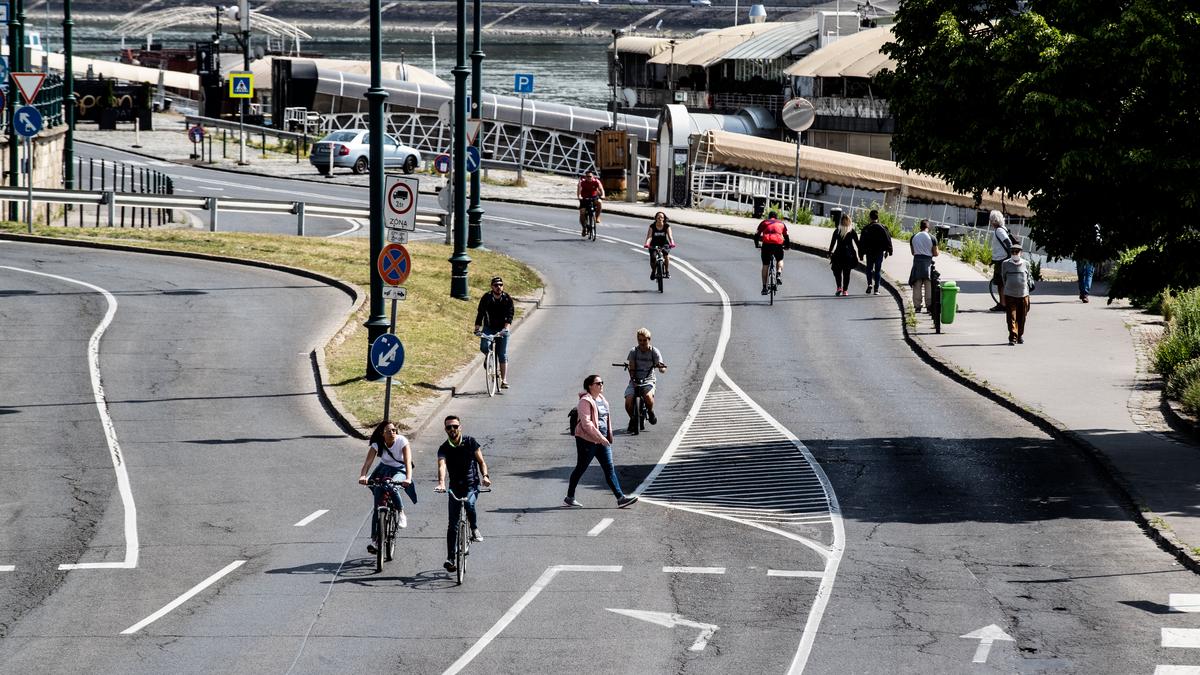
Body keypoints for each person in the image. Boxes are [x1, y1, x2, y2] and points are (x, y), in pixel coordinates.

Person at [565, 374, 639, 509]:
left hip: (602, 440)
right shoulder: (584, 401)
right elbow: (586, 424)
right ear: (590, 386)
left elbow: (606, 419)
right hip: (587, 440)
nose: (601, 385)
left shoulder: (602, 399)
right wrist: (600, 438)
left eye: (601, 383)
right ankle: (570, 497)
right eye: (598, 383)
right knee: (581, 468)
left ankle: (620, 498)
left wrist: (608, 436)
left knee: (609, 468)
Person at [435, 415, 492, 573]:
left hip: (471, 485)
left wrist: (485, 477)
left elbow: (481, 462)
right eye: (449, 427)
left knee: (468, 503)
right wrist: (441, 483)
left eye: (455, 426)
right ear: (445, 430)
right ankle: (450, 558)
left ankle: (474, 528)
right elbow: (442, 466)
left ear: (460, 427)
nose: (452, 429)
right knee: (452, 524)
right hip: (454, 487)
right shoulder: (444, 447)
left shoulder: (470, 442)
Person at [357, 420, 413, 555]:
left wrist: (408, 479)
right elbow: (367, 463)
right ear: (382, 434)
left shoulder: (402, 441)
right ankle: (375, 541)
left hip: (400, 470)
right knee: (377, 505)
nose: (392, 432)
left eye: (394, 430)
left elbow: (407, 462)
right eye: (389, 431)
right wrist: (363, 476)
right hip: (382, 470)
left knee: (392, 486)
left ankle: (400, 512)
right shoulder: (377, 444)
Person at [474, 276, 514, 389]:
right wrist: (477, 328)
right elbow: (480, 313)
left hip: (502, 328)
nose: (498, 287)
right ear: (492, 287)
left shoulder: (507, 299)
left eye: (500, 285)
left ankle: (504, 380)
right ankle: (488, 356)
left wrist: (505, 329)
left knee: (502, 354)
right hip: (489, 327)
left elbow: (510, 315)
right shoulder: (486, 298)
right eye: (496, 285)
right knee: (484, 346)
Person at [625, 327, 667, 432]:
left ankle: (650, 411)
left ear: (649, 339)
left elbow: (661, 366)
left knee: (648, 397)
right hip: (635, 380)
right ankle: (633, 419)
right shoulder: (633, 351)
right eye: (640, 340)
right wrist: (633, 380)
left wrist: (661, 368)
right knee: (628, 401)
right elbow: (632, 367)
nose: (642, 343)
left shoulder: (654, 352)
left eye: (645, 340)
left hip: (648, 380)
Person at [1000, 239, 1034, 345]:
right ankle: (1012, 337)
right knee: (1011, 317)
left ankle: (1020, 335)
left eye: (1017, 251)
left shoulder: (1026, 264)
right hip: (1010, 294)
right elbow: (1003, 277)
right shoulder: (1005, 264)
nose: (1015, 253)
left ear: (1021, 253)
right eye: (1013, 251)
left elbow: (1028, 277)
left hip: (1023, 294)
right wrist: (1008, 287)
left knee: (1022, 316)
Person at [754, 210, 789, 295]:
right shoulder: (781, 224)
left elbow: (756, 235)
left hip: (766, 245)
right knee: (780, 259)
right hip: (778, 244)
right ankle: (778, 273)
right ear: (776, 217)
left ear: (769, 217)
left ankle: (764, 288)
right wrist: (787, 246)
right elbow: (786, 236)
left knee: (765, 265)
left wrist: (757, 244)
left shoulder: (764, 222)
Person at [858, 209, 893, 294]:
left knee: (869, 269)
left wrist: (861, 254)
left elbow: (862, 242)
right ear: (878, 217)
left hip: (869, 252)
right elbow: (887, 239)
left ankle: (869, 283)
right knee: (877, 270)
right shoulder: (883, 227)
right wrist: (889, 250)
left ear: (870, 217)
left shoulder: (866, 228)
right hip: (879, 252)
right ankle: (876, 289)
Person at [908, 219, 939, 312]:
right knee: (928, 285)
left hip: (917, 263)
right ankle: (929, 306)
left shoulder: (913, 237)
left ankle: (917, 306)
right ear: (928, 227)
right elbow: (936, 253)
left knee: (917, 285)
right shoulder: (932, 238)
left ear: (920, 227)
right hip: (927, 263)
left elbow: (913, 252)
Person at [828, 213, 860, 296]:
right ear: (850, 221)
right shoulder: (852, 231)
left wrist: (829, 252)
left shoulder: (837, 230)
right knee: (847, 273)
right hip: (849, 255)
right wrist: (861, 254)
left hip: (838, 254)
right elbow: (858, 244)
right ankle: (845, 290)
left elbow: (833, 243)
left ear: (841, 221)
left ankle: (839, 287)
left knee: (837, 271)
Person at [988, 209, 1014, 311]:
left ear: (994, 221)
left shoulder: (999, 231)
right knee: (1002, 283)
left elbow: (1008, 243)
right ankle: (1004, 303)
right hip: (1001, 259)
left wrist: (1011, 256)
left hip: (1002, 260)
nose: (990, 222)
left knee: (1000, 283)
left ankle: (1003, 304)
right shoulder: (1002, 229)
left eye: (991, 220)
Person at [644, 212, 676, 279]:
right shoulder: (652, 226)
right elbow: (649, 236)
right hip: (654, 244)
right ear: (655, 218)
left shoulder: (667, 226)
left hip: (664, 244)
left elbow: (670, 236)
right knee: (653, 258)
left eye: (661, 217)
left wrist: (672, 243)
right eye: (658, 217)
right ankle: (653, 271)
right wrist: (647, 243)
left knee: (666, 255)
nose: (660, 218)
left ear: (664, 219)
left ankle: (667, 271)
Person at [577, 169, 605, 236]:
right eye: (587, 176)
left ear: (593, 177)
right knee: (582, 212)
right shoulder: (582, 182)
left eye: (590, 176)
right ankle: (584, 228)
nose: (589, 178)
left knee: (600, 202)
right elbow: (579, 191)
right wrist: (579, 196)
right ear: (585, 177)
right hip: (584, 199)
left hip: (593, 197)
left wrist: (603, 195)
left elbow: (601, 189)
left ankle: (597, 217)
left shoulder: (596, 181)